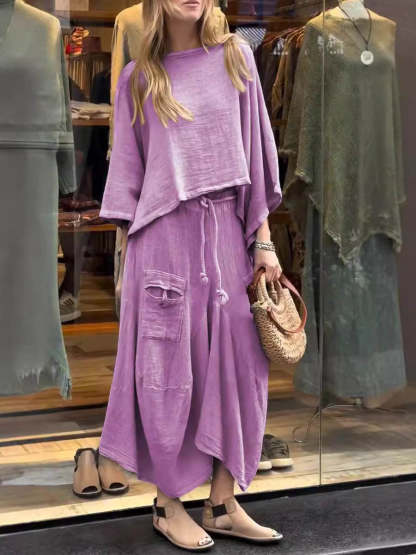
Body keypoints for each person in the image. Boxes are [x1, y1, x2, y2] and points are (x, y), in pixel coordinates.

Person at [97, 0, 283, 550]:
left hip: (226, 234)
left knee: (239, 368)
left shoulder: (236, 58)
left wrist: (264, 242)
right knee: (166, 375)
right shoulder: (138, 78)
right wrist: (126, 271)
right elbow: (126, 179)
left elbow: (256, 157)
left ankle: (222, 503)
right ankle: (167, 503)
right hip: (161, 245)